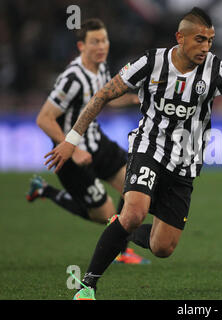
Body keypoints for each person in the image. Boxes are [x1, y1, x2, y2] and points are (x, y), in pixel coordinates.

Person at [44, 7, 222, 300]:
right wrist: (71, 139)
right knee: (134, 211)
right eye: (199, 40)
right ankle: (87, 286)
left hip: (186, 163)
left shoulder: (216, 70)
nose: (206, 47)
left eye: (210, 40)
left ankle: (119, 229)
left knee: (163, 247)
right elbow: (104, 94)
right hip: (149, 148)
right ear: (180, 38)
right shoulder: (150, 62)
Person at [31, 18, 148, 264]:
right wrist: (72, 151)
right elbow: (44, 118)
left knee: (133, 184)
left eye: (104, 40)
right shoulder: (72, 79)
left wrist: (131, 99)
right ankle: (46, 190)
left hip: (97, 142)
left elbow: (103, 99)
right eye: (94, 42)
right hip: (70, 154)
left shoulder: (102, 68)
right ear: (81, 46)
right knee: (103, 214)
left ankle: (122, 251)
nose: (101, 46)